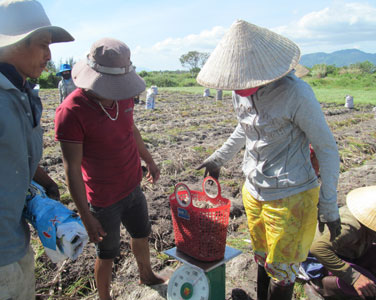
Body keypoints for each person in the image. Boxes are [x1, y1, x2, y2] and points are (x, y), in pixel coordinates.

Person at [196, 20, 341, 300]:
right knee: (263, 259)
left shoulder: (296, 93)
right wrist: (219, 158)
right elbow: (245, 126)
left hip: (291, 196)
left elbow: (326, 148)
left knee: (283, 274)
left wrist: (329, 206)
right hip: (254, 190)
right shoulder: (241, 94)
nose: (237, 87)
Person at [0, 0, 74, 299]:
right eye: (44, 44)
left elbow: (11, 155)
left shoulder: (24, 95)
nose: (49, 55)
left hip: (17, 241)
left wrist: (42, 179)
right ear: (16, 43)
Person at [55, 37, 165, 300]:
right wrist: (85, 215)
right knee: (107, 254)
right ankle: (104, 297)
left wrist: (148, 159)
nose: (118, 91)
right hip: (103, 199)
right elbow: (71, 170)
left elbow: (131, 129)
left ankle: (146, 274)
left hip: (132, 186)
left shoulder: (124, 98)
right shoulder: (71, 111)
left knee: (142, 234)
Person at [308, 186, 376, 300]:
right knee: (370, 287)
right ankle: (321, 286)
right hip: (322, 257)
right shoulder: (350, 228)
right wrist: (354, 277)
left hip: (349, 250)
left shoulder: (366, 221)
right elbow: (317, 249)